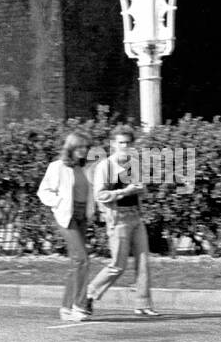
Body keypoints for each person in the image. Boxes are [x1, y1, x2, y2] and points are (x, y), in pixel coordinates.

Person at [87, 125, 159, 316]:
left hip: (135, 216)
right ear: (113, 144)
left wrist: (141, 189)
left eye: (128, 143)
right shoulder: (106, 166)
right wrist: (125, 191)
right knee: (118, 265)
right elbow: (100, 195)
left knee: (144, 261)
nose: (124, 146)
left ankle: (143, 304)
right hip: (117, 219)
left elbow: (141, 190)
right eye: (121, 143)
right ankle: (89, 294)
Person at [37, 130, 98, 321]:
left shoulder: (86, 167)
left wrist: (92, 210)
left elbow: (90, 192)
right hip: (67, 217)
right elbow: (43, 191)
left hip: (82, 217)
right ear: (70, 148)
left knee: (76, 263)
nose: (82, 151)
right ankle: (79, 307)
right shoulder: (57, 167)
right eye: (79, 147)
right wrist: (58, 203)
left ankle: (65, 308)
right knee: (83, 260)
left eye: (85, 147)